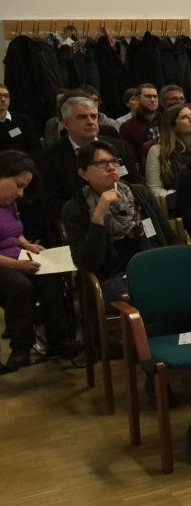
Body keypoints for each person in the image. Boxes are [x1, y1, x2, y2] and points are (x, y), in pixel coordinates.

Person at [63, 141, 174, 307]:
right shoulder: (75, 208)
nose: (111, 167)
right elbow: (88, 263)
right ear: (84, 174)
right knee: (156, 295)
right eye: (101, 163)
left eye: (114, 161)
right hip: (115, 278)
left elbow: (169, 237)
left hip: (156, 265)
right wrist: (99, 214)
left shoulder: (140, 193)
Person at [0, 151, 76, 372]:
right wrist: (18, 265)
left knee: (50, 278)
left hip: (17, 257)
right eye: (18, 185)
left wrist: (27, 245)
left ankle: (60, 340)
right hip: (5, 264)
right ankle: (20, 349)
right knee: (20, 287)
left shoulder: (8, 203)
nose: (20, 193)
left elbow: (14, 232)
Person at [39, 95, 141, 235]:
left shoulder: (119, 146)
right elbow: (52, 202)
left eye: (93, 116)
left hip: (126, 216)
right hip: (82, 224)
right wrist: (96, 212)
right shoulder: (50, 158)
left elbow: (135, 182)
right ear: (65, 124)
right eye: (82, 117)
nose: (90, 121)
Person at [145, 104, 191, 196]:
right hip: (176, 200)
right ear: (172, 125)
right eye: (184, 117)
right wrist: (179, 195)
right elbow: (154, 189)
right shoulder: (157, 151)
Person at [118, 83, 161, 163]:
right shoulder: (127, 127)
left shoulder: (165, 121)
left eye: (155, 97)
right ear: (137, 99)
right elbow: (131, 158)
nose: (152, 100)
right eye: (148, 96)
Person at [0, 85, 40, 154]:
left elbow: (35, 148)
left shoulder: (23, 120)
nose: (3, 99)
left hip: (21, 159)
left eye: (6, 96)